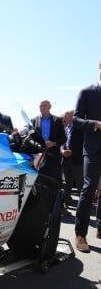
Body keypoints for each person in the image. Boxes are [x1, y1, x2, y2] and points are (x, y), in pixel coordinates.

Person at [73, 61, 101, 252]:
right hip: (92, 148)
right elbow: (75, 120)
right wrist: (95, 124)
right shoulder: (87, 92)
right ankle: (80, 234)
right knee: (89, 187)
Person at [31, 100, 68, 215]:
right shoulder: (34, 121)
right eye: (40, 105)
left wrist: (54, 143)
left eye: (44, 105)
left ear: (50, 107)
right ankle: (40, 207)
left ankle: (58, 207)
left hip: (54, 156)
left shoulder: (57, 120)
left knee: (56, 181)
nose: (42, 107)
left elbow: (63, 138)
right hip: (39, 156)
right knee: (40, 181)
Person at [61, 110, 84, 208]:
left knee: (80, 182)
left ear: (73, 116)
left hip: (77, 159)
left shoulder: (80, 128)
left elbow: (83, 144)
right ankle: (66, 203)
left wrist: (73, 152)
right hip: (66, 159)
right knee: (67, 182)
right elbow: (62, 142)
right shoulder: (66, 129)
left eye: (67, 115)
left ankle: (83, 205)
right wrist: (62, 151)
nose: (65, 117)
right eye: (65, 116)